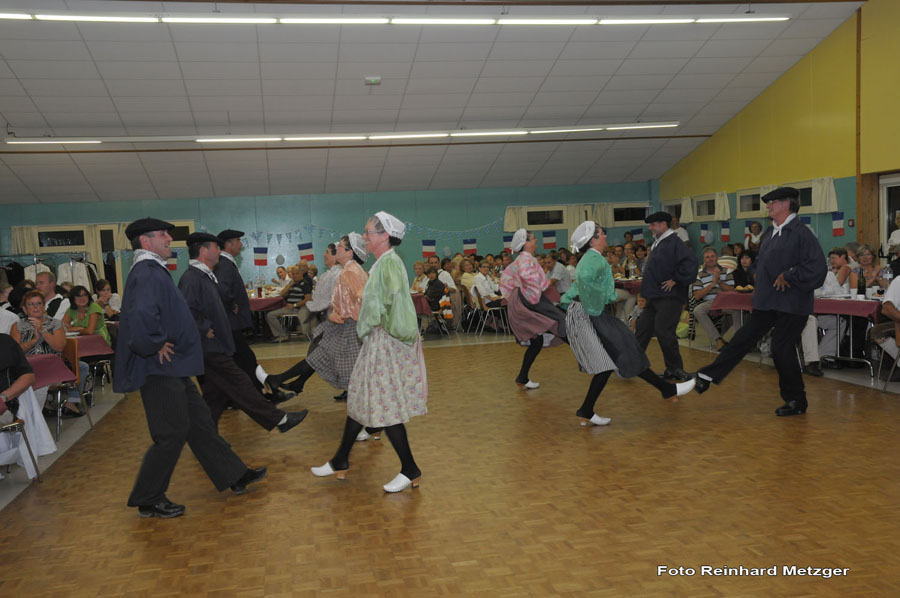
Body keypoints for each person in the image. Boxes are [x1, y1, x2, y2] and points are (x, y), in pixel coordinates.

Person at [115, 218, 267, 519]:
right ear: (145, 241)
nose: (169, 238)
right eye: (162, 234)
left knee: (199, 423)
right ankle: (149, 497)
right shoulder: (146, 271)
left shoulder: (151, 270)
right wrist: (154, 344)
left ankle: (233, 475)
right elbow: (140, 316)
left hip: (171, 366)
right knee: (171, 433)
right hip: (158, 367)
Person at [311, 212, 427, 493]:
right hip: (379, 340)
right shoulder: (383, 264)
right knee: (361, 397)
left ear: (384, 236)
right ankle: (340, 458)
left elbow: (385, 308)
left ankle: (409, 468)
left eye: (368, 232)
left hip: (385, 342)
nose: (365, 237)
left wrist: (366, 325)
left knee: (386, 406)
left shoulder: (389, 264)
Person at [693, 187, 828, 416]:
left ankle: (797, 400)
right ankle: (708, 375)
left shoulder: (801, 233)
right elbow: (761, 262)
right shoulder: (771, 232)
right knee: (742, 339)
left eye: (772, 202)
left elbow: (817, 269)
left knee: (781, 349)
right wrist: (755, 271)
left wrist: (789, 275)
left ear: (787, 204)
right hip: (768, 301)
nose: (768, 206)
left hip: (792, 304)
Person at [561, 222, 695, 426]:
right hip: (588, 315)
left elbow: (579, 287)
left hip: (588, 314)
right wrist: (599, 304)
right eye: (602, 233)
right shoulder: (593, 261)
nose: (605, 235)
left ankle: (587, 409)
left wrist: (595, 302)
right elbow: (585, 283)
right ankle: (665, 389)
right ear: (594, 240)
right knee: (618, 354)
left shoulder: (592, 259)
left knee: (620, 354)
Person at [178, 232, 308, 435]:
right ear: (203, 251)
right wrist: (205, 328)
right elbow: (185, 310)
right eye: (215, 247)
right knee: (241, 385)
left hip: (215, 346)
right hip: (210, 348)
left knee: (214, 399)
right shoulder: (192, 278)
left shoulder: (204, 275)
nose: (218, 251)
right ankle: (279, 419)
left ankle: (204, 439)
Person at [264, 233, 370, 401]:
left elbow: (355, 305)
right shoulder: (351, 271)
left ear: (350, 252)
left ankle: (280, 380)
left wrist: (334, 313)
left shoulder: (348, 272)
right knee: (319, 358)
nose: (337, 249)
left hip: (347, 327)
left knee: (326, 360)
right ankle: (282, 380)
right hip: (347, 326)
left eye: (340, 247)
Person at [212, 229, 289, 405]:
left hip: (230, 324)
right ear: (229, 244)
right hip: (231, 324)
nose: (241, 244)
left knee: (240, 362)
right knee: (246, 361)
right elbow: (221, 289)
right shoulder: (224, 264)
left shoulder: (225, 263)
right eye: (238, 241)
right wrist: (232, 303)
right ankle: (262, 395)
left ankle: (249, 396)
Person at [634, 212, 699, 382]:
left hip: (669, 297)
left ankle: (675, 369)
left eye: (653, 225)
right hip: (654, 296)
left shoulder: (675, 242)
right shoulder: (659, 242)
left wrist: (676, 279)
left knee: (664, 332)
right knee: (643, 329)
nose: (650, 228)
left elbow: (691, 264)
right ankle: (631, 365)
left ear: (663, 225)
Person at [500, 229, 568, 390]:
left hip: (525, 300)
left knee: (536, 341)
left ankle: (522, 377)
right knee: (557, 323)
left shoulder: (526, 259)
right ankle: (590, 359)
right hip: (527, 301)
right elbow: (530, 281)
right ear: (526, 243)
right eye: (533, 239)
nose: (536, 240)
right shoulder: (525, 260)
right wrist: (538, 297)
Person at [10, 289, 86, 418]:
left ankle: (37, 414)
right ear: (24, 308)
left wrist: (42, 330)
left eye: (39, 303)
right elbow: (15, 352)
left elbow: (59, 347)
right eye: (31, 304)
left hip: (52, 367)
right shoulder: (18, 326)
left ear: (44, 306)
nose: (35, 307)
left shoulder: (55, 323)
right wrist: (32, 342)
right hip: (27, 367)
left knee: (82, 366)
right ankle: (29, 415)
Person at [691, 246, 741, 351]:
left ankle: (738, 342)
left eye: (712, 256)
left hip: (726, 301)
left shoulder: (727, 271)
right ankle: (718, 340)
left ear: (717, 257)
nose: (710, 259)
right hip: (710, 302)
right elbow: (697, 295)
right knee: (698, 310)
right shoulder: (699, 274)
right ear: (704, 260)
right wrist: (712, 284)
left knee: (738, 309)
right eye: (707, 257)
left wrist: (719, 281)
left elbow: (732, 290)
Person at [266, 263, 313, 342]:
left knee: (270, 315)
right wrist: (290, 285)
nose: (295, 276)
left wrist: (294, 305)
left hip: (299, 307)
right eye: (293, 274)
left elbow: (308, 299)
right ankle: (282, 334)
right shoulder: (292, 284)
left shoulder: (305, 284)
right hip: (289, 307)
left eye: (297, 274)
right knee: (270, 315)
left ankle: (306, 335)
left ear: (301, 274)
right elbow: (282, 294)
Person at [303, 243, 343, 331]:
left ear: (335, 256)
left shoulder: (338, 274)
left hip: (332, 317)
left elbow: (335, 300)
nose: (324, 254)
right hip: (324, 315)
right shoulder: (328, 274)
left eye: (327, 252)